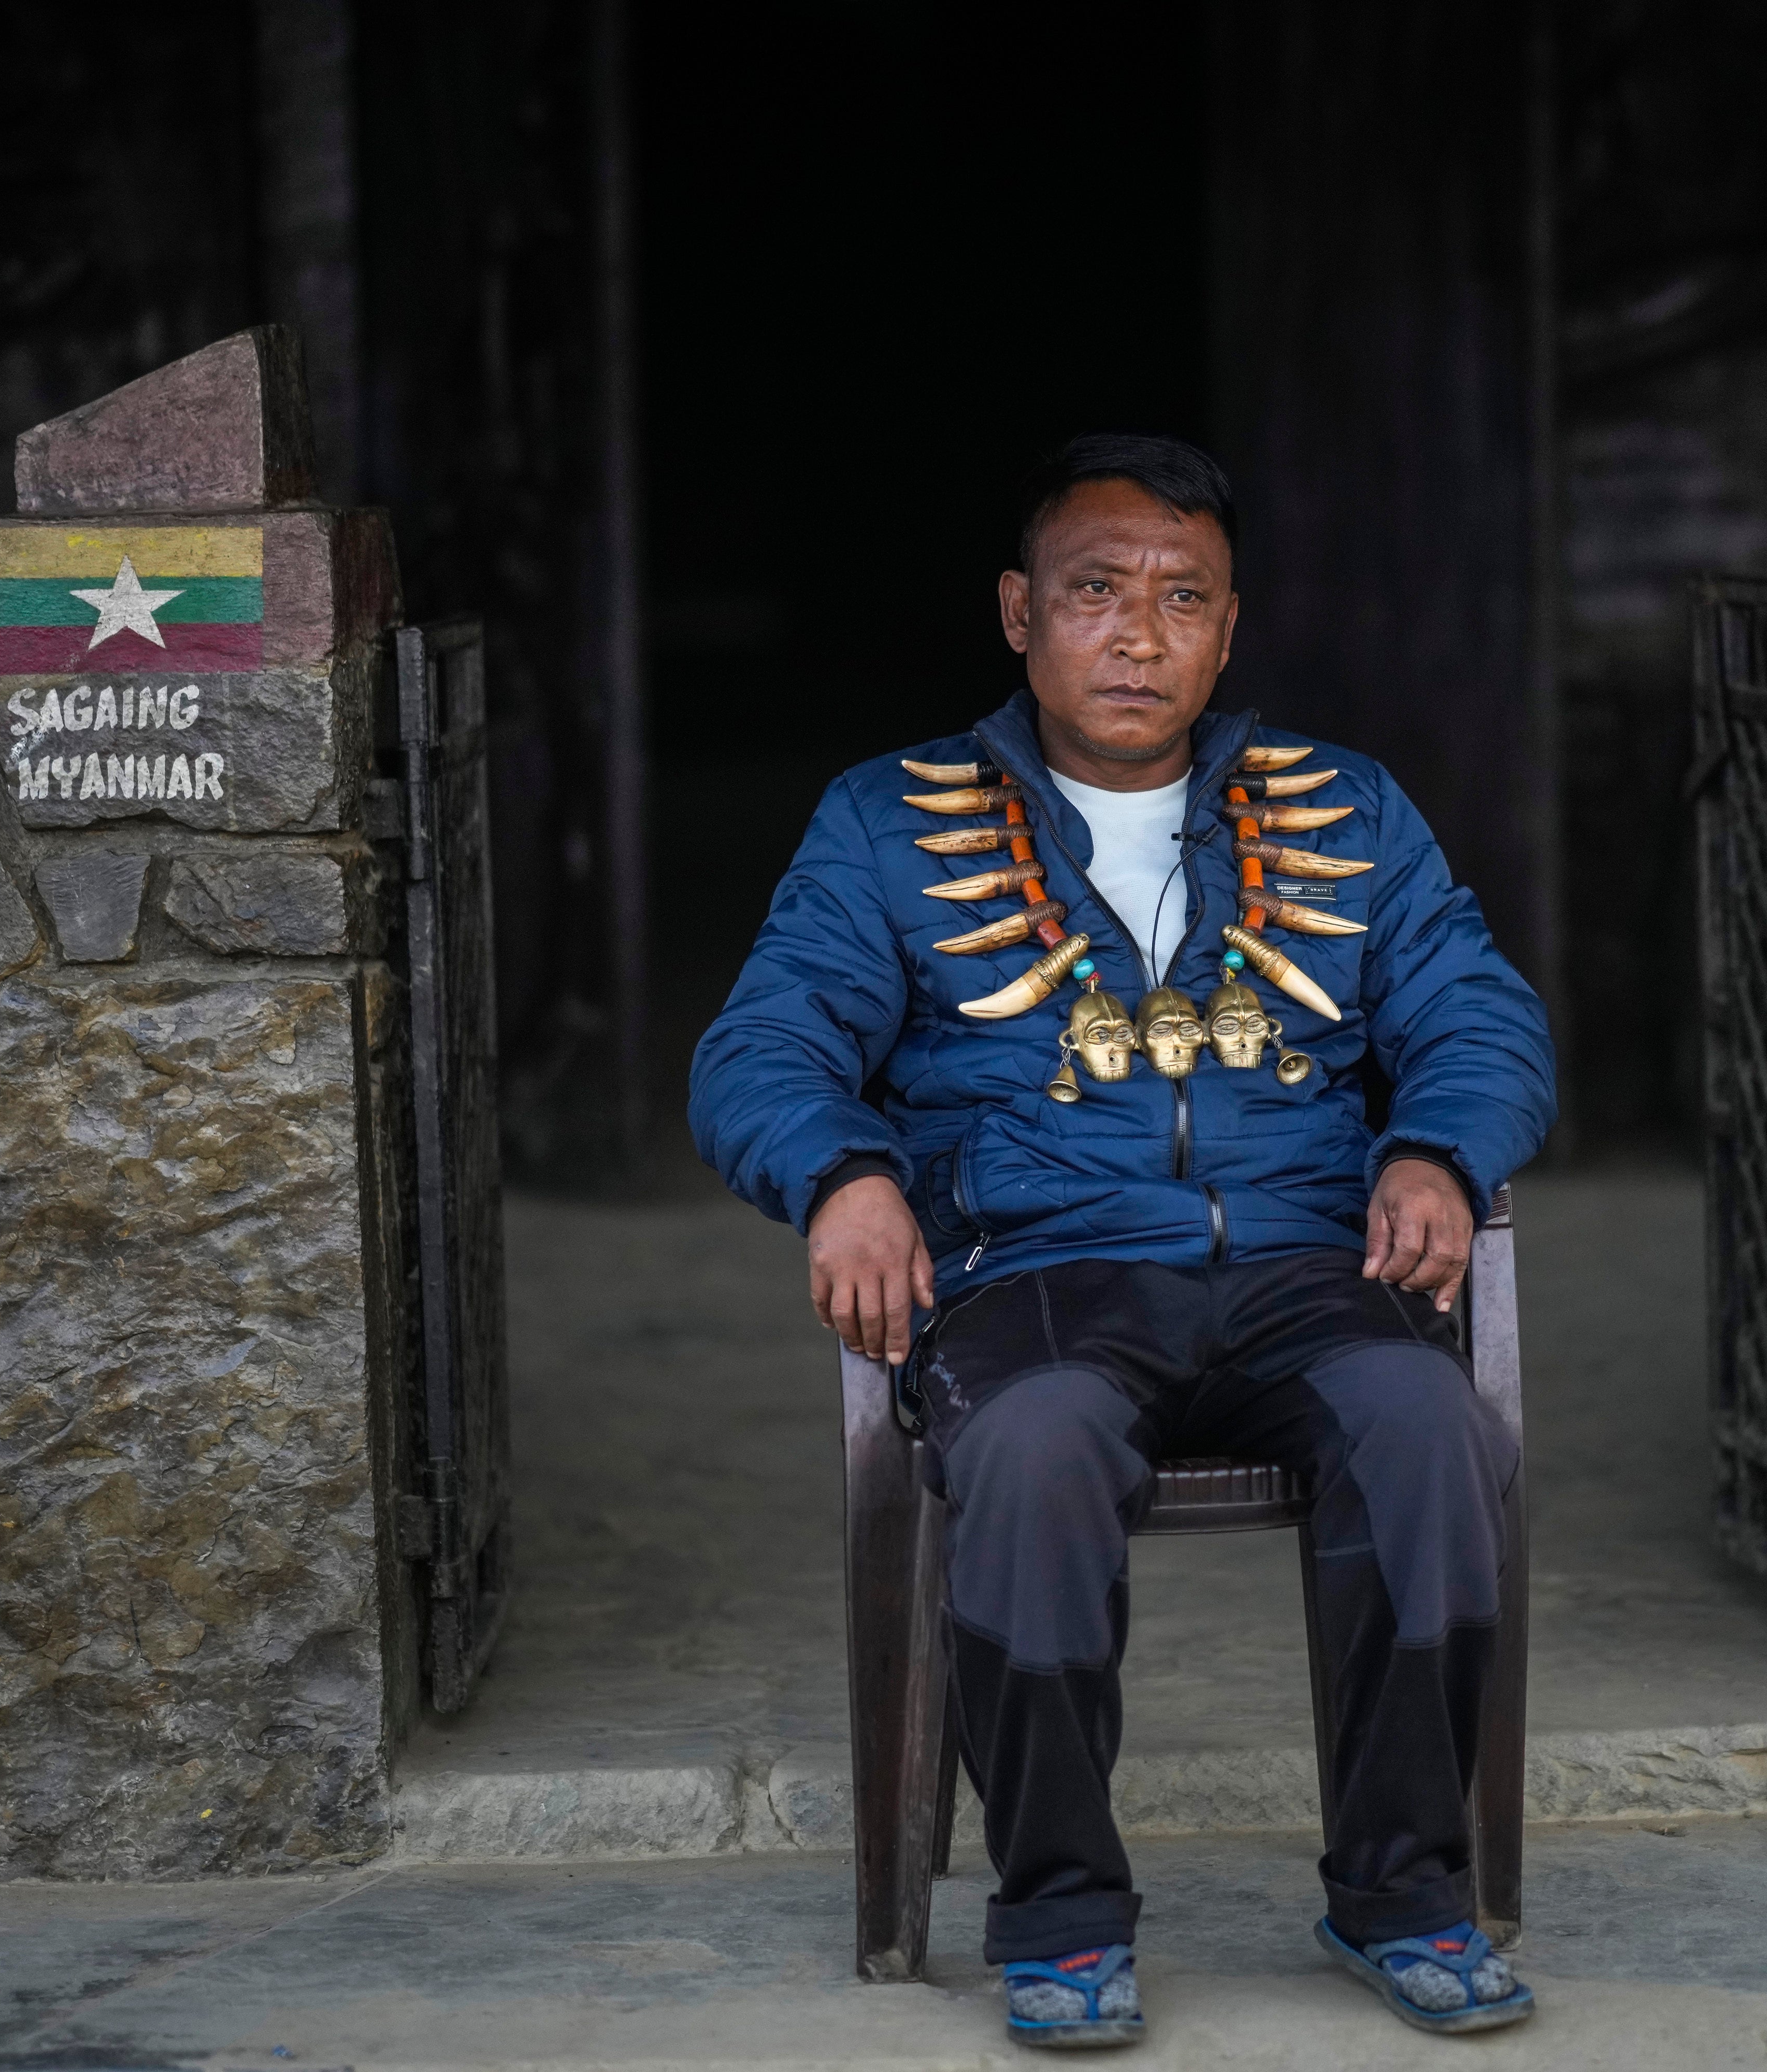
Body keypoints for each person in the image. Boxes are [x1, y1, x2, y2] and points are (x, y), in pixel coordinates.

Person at [689, 434, 1554, 2048]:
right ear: (1022, 613)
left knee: (1434, 1433)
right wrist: (845, 1176)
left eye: (1182, 600)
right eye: (1097, 593)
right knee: (1025, 1451)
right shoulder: (890, 823)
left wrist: (1440, 1148)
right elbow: (766, 1044)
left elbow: (1477, 1016)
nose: (1138, 635)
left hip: (1309, 1265)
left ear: (1230, 631)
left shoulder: (1346, 809)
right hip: (1039, 1277)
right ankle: (1064, 1914)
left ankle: (1407, 1892)